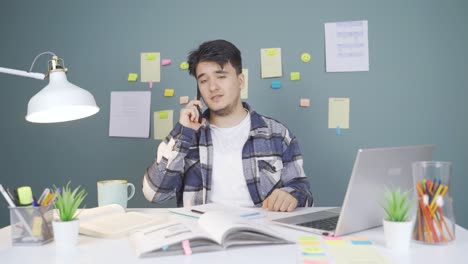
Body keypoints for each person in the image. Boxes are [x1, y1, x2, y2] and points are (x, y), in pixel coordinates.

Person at [143, 39, 313, 212]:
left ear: (240, 81)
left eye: (221, 76)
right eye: (203, 81)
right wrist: (183, 134)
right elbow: (154, 193)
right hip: (202, 234)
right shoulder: (186, 135)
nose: (212, 87)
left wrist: (291, 194)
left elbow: (303, 190)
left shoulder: (277, 134)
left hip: (260, 233)